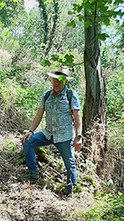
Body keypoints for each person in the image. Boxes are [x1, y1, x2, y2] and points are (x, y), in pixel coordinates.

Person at [21, 66, 82, 195]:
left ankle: (71, 188)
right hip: (48, 133)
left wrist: (78, 137)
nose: (56, 82)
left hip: (64, 136)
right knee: (28, 142)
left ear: (65, 81)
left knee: (69, 162)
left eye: (60, 80)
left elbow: (77, 118)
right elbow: (38, 115)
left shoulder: (71, 95)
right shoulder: (47, 95)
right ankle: (33, 173)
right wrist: (31, 131)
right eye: (54, 79)